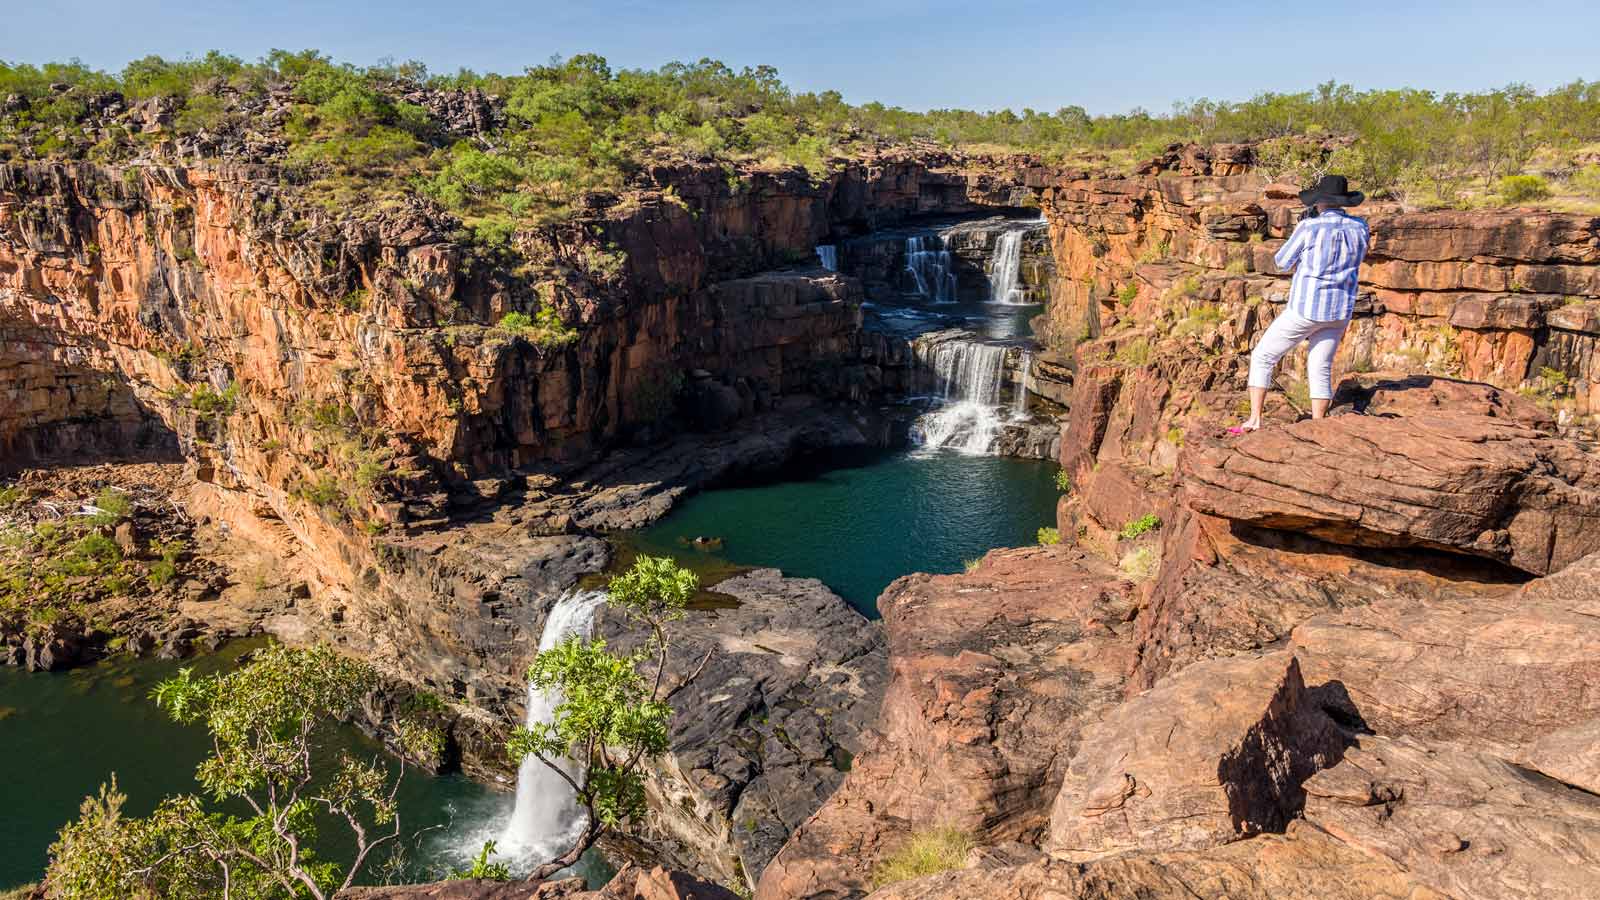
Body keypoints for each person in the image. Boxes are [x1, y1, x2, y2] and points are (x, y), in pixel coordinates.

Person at [1232, 174, 1370, 433]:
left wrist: (1302, 234)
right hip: (1340, 309)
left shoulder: (1310, 228)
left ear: (1319, 202)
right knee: (1320, 364)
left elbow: (1281, 261)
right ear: (1343, 202)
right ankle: (1319, 426)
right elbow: (1361, 255)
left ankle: (1255, 420)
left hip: (1307, 308)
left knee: (1263, 356)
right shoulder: (1360, 226)